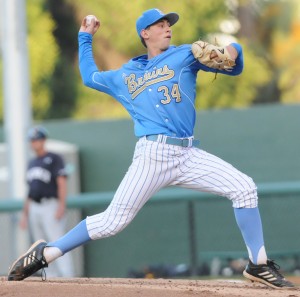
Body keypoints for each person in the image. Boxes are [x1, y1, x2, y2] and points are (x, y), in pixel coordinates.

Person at [8, 9, 293, 289]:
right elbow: (89, 76)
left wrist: (233, 48)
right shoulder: (125, 75)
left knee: (244, 187)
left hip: (188, 154)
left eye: (168, 23)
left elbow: (233, 64)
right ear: (145, 33)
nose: (168, 27)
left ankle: (258, 263)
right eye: (160, 24)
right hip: (152, 156)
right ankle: (47, 253)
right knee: (111, 223)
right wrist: (85, 37)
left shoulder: (184, 55)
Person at [18, 126, 74, 278]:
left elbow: (62, 182)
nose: (34, 143)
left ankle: (69, 277)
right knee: (40, 245)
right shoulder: (32, 163)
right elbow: (30, 191)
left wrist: (62, 206)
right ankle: (50, 278)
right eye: (32, 140)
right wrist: (25, 215)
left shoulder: (54, 158)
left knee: (57, 242)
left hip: (50, 205)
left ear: (43, 140)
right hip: (35, 206)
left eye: (36, 139)